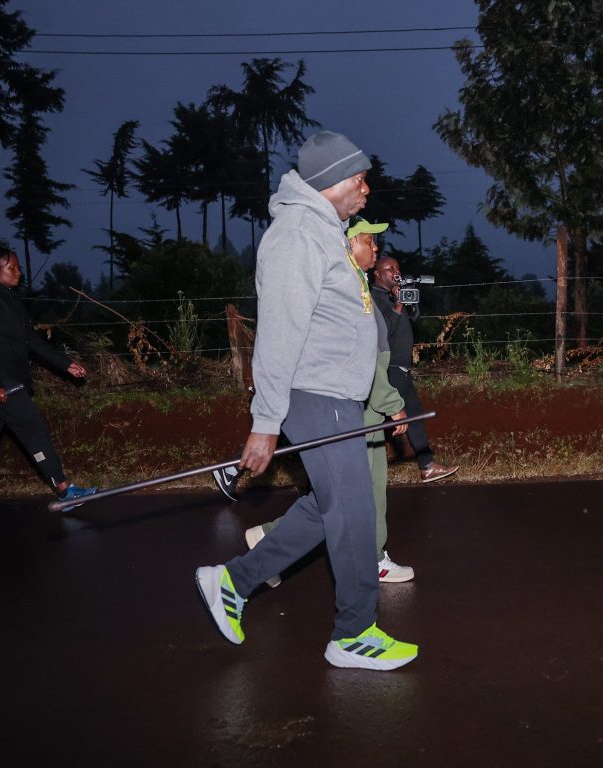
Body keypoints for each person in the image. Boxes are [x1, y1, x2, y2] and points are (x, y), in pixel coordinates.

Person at [194, 131, 418, 671]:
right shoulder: (298, 236)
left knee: (329, 508)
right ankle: (355, 633)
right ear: (335, 180)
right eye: (361, 179)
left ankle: (233, 581)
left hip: (334, 392)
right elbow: (278, 335)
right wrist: (265, 421)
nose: (367, 189)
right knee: (356, 513)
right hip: (316, 394)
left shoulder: (325, 231)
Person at [242, 215, 415, 586]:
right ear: (349, 245)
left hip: (359, 396)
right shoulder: (345, 290)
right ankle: (372, 559)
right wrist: (390, 400)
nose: (375, 248)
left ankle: (271, 540)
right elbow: (363, 356)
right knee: (362, 489)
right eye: (369, 242)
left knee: (342, 491)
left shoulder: (359, 287)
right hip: (356, 400)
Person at [0, 248, 97, 515]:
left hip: (7, 378)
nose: (19, 272)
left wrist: (65, 364)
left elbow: (31, 341)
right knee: (32, 428)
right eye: (12, 267)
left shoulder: (9, 298)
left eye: (17, 267)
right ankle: (65, 491)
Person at [371, 255, 460, 482]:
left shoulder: (392, 297)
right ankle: (426, 465)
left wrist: (405, 301)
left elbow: (414, 319)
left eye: (397, 267)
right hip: (388, 366)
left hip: (398, 367)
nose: (395, 271)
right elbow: (382, 334)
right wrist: (398, 304)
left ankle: (423, 464)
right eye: (389, 268)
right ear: (377, 274)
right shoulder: (374, 299)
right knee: (411, 414)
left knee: (386, 418)